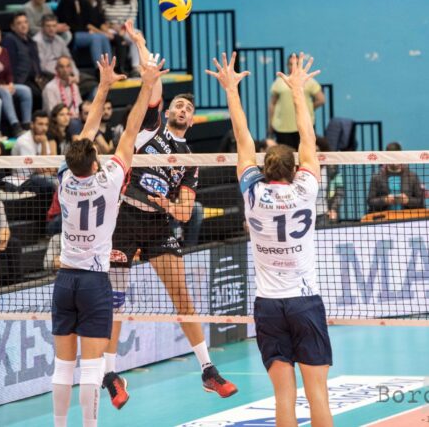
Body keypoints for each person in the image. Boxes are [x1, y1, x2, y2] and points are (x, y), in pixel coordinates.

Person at [103, 21, 237, 409]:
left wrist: (164, 203)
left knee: (181, 295)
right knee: (115, 300)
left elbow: (184, 210)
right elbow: (153, 84)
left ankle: (208, 370)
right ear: (169, 111)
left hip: (158, 224)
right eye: (179, 104)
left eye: (189, 108)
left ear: (192, 121)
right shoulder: (150, 129)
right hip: (124, 220)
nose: (182, 108)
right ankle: (111, 375)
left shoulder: (190, 160)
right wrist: (140, 42)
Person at [207, 51, 333, 427]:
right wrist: (298, 91)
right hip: (304, 302)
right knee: (318, 394)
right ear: (295, 169)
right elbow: (308, 137)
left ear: (264, 170)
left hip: (268, 306)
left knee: (283, 397)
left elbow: (243, 140)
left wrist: (231, 90)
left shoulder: (252, 192)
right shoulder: (306, 188)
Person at [50, 54, 168, 427]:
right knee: (91, 367)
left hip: (65, 280)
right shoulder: (111, 178)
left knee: (62, 366)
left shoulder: (65, 179)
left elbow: (84, 137)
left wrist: (102, 87)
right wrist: (146, 84)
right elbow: (131, 130)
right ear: (94, 163)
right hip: (94, 282)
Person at [0, 21, 33, 137]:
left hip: (4, 85)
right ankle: (15, 125)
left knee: (25, 90)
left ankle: (26, 124)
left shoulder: (4, 50)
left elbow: (9, 72)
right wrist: (1, 86)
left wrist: (10, 83)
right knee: (4, 92)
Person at [268, 53, 325, 150]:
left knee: (306, 152)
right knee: (286, 156)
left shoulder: (309, 81)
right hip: (282, 128)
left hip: (304, 126)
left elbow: (321, 99)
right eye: (291, 64)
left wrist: (307, 109)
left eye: (296, 64)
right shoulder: (279, 82)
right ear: (287, 65)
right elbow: (272, 103)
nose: (293, 66)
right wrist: (270, 123)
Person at [56, 0, 112, 72]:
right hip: (72, 34)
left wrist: (99, 30)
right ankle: (99, 70)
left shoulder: (84, 1)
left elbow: (89, 20)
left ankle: (109, 68)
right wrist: (87, 30)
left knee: (103, 37)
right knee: (95, 38)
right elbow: (67, 23)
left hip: (84, 32)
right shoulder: (65, 1)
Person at [2, 12, 51, 110]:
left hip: (35, 78)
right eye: (19, 23)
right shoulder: (10, 40)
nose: (23, 25)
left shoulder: (31, 41)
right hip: (22, 79)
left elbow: (36, 62)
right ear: (13, 27)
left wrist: (39, 76)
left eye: (25, 22)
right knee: (37, 94)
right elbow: (10, 64)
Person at [367, 141, 425, 212]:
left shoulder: (412, 177)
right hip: (384, 217)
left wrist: (408, 200)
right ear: (386, 157)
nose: (394, 160)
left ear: (401, 156)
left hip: (407, 217)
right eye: (391, 157)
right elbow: (370, 201)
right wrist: (385, 200)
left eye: (396, 156)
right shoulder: (376, 177)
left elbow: (421, 202)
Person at [101, 0, 139, 76]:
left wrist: (123, 29)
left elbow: (131, 18)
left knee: (137, 37)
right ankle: (114, 67)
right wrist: (113, 27)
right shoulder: (104, 0)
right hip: (110, 29)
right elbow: (102, 19)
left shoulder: (132, 1)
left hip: (126, 28)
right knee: (114, 37)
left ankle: (135, 67)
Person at [10, 110, 57, 193]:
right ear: (32, 125)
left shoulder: (43, 138)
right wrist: (43, 144)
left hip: (37, 177)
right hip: (22, 180)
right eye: (40, 124)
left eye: (46, 124)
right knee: (54, 184)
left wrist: (43, 143)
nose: (44, 128)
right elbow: (41, 169)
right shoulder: (24, 142)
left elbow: (51, 168)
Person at [42, 56, 82, 134]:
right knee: (75, 123)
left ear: (71, 69)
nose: (65, 70)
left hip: (75, 118)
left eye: (68, 66)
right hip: (58, 122)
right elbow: (52, 112)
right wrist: (69, 116)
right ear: (56, 69)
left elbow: (79, 105)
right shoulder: (50, 88)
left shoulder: (74, 86)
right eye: (61, 67)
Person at [315, 136, 344, 226]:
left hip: (324, 214)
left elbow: (339, 192)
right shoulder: (302, 170)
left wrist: (333, 209)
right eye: (312, 151)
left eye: (317, 151)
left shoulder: (332, 170)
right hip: (306, 214)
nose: (315, 154)